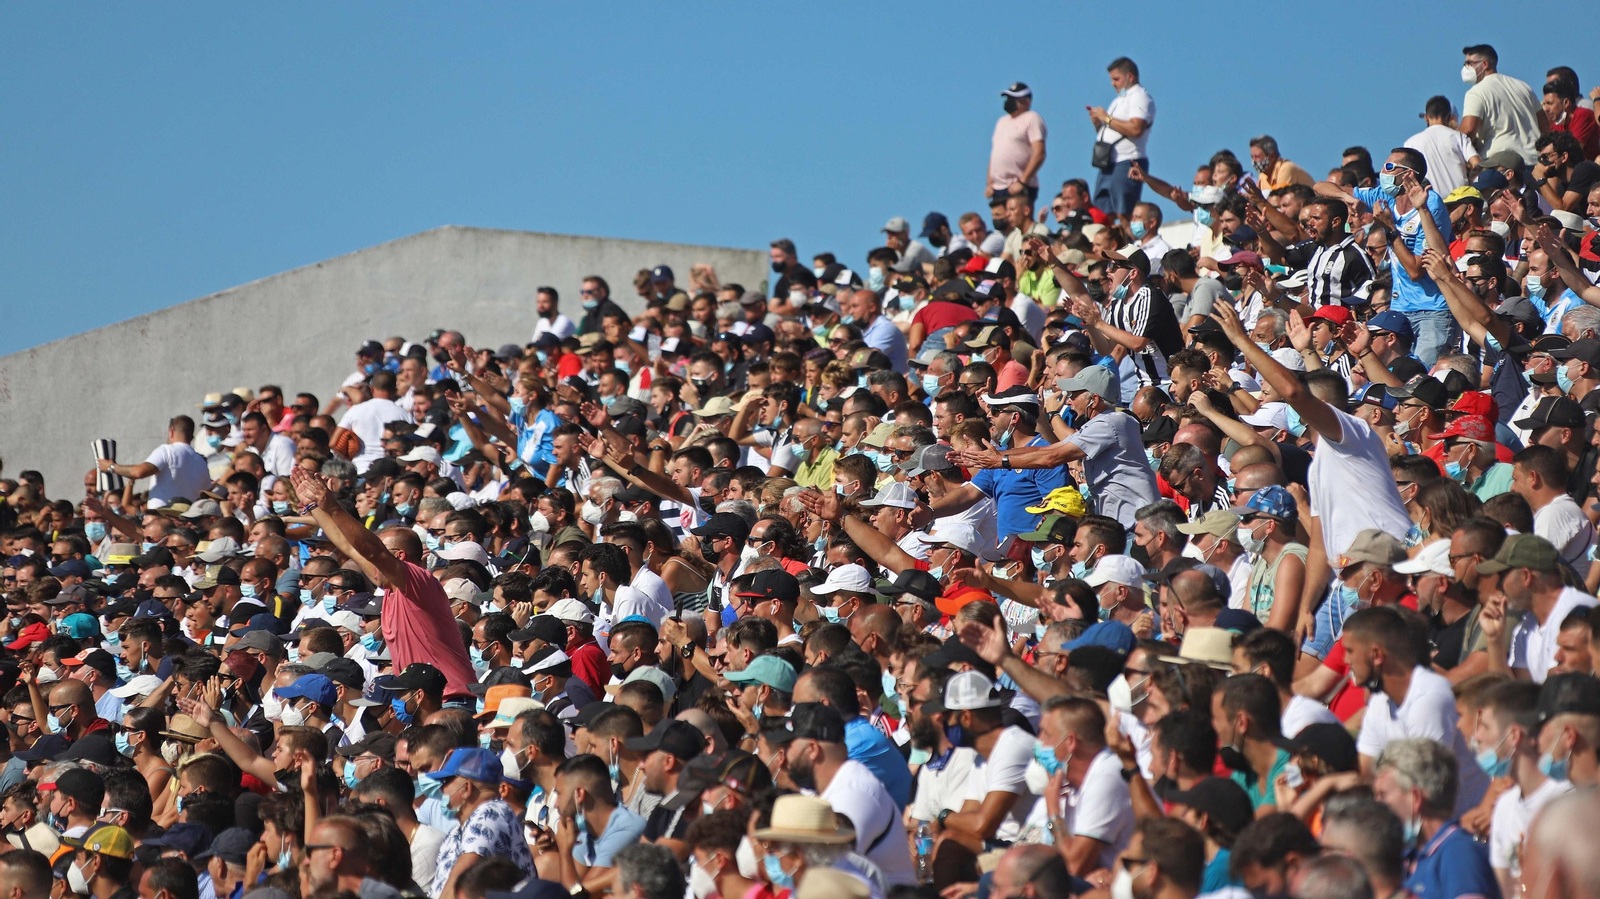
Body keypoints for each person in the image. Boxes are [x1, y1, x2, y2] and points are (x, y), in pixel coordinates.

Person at [1088, 57, 1154, 217]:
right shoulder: (1119, 101)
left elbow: (1136, 128)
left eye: (1116, 79)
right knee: (1103, 215)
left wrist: (1107, 119)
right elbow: (1113, 132)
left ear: (1129, 77)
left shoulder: (1140, 97)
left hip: (1127, 161)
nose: (1113, 84)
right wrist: (1098, 124)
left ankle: (1130, 241)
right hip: (1108, 163)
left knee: (1124, 214)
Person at [1460, 44, 1545, 167]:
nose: (1465, 68)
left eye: (1469, 63)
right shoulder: (1524, 87)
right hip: (1534, 162)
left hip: (1501, 164)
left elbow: (1467, 131)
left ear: (1484, 64)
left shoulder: (1476, 92)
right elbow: (1544, 124)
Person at [96, 417, 209, 510]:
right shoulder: (201, 461)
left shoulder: (167, 450)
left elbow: (139, 472)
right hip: (186, 519)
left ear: (171, 431)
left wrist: (110, 467)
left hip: (162, 516)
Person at [1406, 96, 1482, 197]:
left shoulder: (1411, 143)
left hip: (1430, 203)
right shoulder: (1459, 137)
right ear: (1449, 117)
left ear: (1426, 118)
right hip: (1460, 202)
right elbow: (1477, 164)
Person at [989, 83, 1047, 203]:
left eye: (1013, 99)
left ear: (1026, 102)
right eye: (1008, 98)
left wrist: (1022, 181)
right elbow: (995, 154)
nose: (1009, 102)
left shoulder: (1032, 118)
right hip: (998, 188)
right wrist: (989, 183)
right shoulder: (1002, 122)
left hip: (1018, 186)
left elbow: (1039, 153)